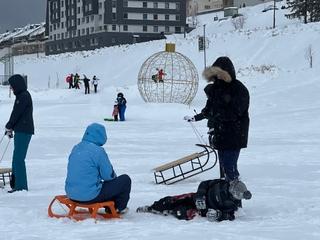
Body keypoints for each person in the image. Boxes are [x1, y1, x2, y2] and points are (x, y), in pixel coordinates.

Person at [184, 57, 250, 190]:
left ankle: (236, 195)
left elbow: (235, 112)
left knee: (229, 166)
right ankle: (227, 191)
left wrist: (217, 114)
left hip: (235, 133)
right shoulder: (215, 89)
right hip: (220, 133)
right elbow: (209, 109)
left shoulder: (238, 89)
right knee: (224, 166)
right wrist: (197, 117)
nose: (217, 77)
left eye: (220, 74)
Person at [65, 123, 131, 213]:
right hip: (89, 196)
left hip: (71, 194)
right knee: (125, 180)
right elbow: (108, 176)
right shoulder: (98, 151)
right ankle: (118, 208)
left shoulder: (76, 148)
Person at [136, 178, 251, 222]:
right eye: (233, 186)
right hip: (196, 198)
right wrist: (201, 195)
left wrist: (218, 214)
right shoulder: (222, 183)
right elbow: (204, 184)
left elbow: (230, 216)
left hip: (202, 211)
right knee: (172, 200)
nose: (231, 189)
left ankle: (171, 212)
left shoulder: (233, 204)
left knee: (183, 212)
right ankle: (153, 207)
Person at [5, 74, 34, 193]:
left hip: (24, 130)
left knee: (18, 159)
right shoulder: (22, 96)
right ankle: (15, 183)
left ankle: (21, 186)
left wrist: (9, 125)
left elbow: (16, 113)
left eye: (12, 86)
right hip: (21, 129)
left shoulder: (23, 96)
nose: (11, 88)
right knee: (15, 158)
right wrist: (11, 127)